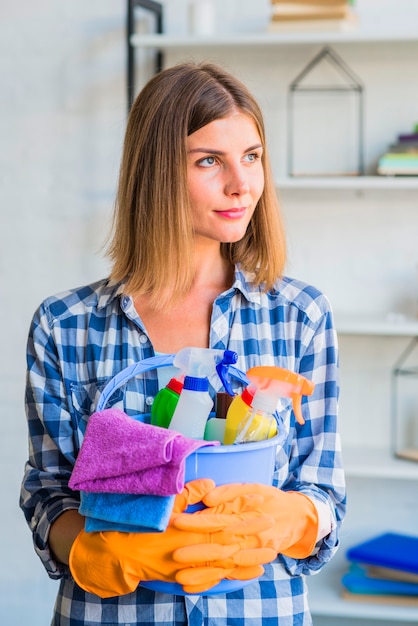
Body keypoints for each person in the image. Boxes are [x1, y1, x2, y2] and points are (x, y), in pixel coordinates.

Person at [20, 61, 346, 625]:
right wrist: (93, 551)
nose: (241, 183)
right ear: (157, 173)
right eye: (208, 161)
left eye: (251, 156)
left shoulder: (299, 316)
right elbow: (48, 491)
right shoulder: (65, 324)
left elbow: (323, 493)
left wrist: (288, 519)